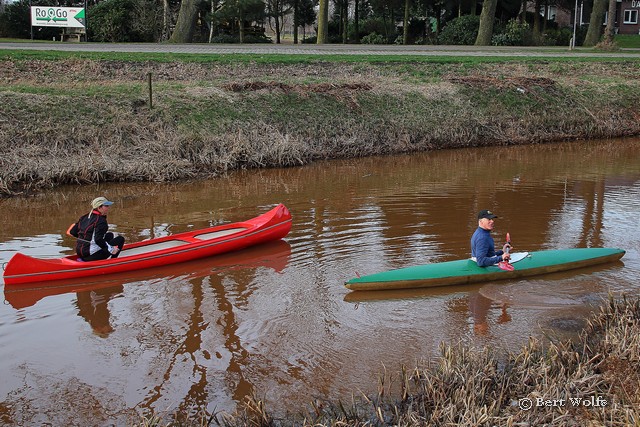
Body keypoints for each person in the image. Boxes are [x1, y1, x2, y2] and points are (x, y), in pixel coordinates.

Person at [69, 197, 125, 261]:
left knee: (110, 235)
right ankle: (113, 261)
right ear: (99, 208)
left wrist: (85, 239)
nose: (108, 208)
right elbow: (98, 240)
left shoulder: (84, 217)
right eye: (106, 206)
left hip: (80, 252)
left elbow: (72, 232)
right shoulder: (101, 221)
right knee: (121, 239)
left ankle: (102, 253)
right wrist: (111, 249)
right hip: (90, 255)